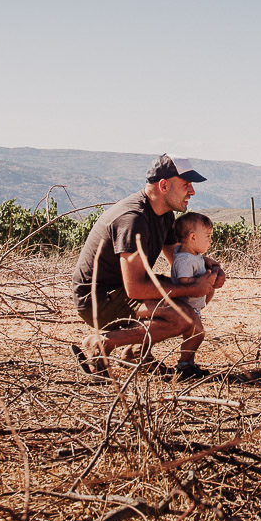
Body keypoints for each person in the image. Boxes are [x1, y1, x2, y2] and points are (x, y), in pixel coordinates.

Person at [69, 154, 226, 377]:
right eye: (186, 185)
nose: (192, 191)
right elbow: (135, 288)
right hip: (98, 299)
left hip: (122, 291)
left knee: (187, 295)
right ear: (164, 185)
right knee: (183, 317)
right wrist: (193, 288)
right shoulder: (133, 218)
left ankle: (135, 353)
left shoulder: (164, 214)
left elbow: (179, 260)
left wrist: (206, 268)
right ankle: (102, 343)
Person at [170, 211, 222, 378]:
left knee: (192, 335)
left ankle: (188, 364)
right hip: (186, 307)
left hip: (193, 306)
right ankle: (185, 365)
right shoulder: (185, 260)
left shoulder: (193, 255)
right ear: (192, 237)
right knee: (196, 334)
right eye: (207, 236)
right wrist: (210, 277)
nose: (211, 240)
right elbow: (184, 283)